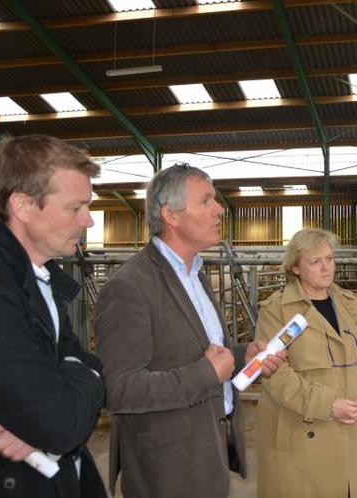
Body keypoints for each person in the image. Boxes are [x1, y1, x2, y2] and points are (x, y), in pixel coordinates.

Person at [95, 163, 284, 498]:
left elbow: (195, 350)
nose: (219, 209)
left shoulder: (194, 273)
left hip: (209, 451)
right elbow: (121, 389)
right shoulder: (129, 286)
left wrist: (243, 356)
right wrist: (206, 373)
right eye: (206, 200)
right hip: (167, 469)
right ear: (171, 215)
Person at [0, 135, 106, 497]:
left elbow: (86, 363)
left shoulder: (32, 273)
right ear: (23, 206)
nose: (89, 221)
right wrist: (85, 374)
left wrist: (81, 371)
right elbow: (61, 422)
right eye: (75, 208)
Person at [255, 228, 357, 498]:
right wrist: (330, 405)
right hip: (303, 437)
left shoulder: (350, 305)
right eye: (316, 261)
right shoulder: (277, 311)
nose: (327, 267)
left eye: (330, 258)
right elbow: (276, 376)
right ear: (296, 268)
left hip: (350, 436)